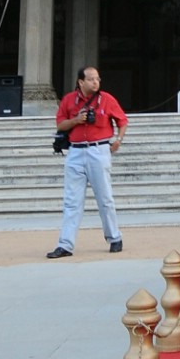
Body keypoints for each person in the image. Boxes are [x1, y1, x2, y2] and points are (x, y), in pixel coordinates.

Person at [47, 65, 128, 258]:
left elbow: (122, 121)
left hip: (98, 149)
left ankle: (114, 236)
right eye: (91, 79)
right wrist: (76, 120)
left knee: (105, 198)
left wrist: (118, 140)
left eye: (97, 79)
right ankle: (65, 244)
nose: (95, 82)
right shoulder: (69, 100)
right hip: (76, 151)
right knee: (72, 201)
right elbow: (60, 124)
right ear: (80, 82)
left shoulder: (106, 99)